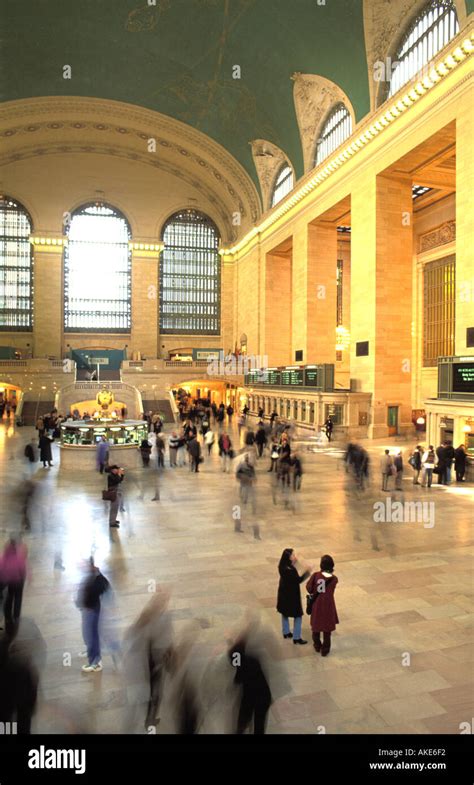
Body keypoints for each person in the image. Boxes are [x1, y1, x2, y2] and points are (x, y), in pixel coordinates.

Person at [228, 637, 272, 735]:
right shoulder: (250, 660)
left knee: (250, 721)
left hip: (257, 698)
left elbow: (239, 678)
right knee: (256, 723)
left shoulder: (245, 666)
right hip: (260, 696)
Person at [76, 557, 110, 673]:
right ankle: (90, 651)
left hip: (92, 610)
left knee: (92, 635)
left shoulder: (97, 578)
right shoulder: (92, 575)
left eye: (85, 564)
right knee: (88, 633)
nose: (82, 566)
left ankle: (95, 662)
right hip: (89, 609)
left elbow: (104, 587)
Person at [306, 555, 339, 657]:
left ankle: (317, 645)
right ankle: (325, 649)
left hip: (317, 605)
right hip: (328, 605)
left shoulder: (316, 575)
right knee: (327, 630)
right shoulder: (334, 579)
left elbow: (309, 588)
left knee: (316, 627)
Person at [276, 548, 310, 644]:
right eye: (292, 555)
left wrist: (296, 561)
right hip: (292, 596)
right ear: (288, 558)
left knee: (284, 612)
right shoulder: (290, 571)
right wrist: (307, 572)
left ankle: (286, 632)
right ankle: (297, 637)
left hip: (283, 594)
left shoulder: (282, 566)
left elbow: (292, 567)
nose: (294, 557)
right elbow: (298, 580)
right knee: (298, 616)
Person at [1, 538, 28, 629]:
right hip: (19, 581)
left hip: (10, 582)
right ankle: (16, 615)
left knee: (10, 596)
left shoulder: (3, 558)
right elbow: (23, 568)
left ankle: (8, 615)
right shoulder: (18, 558)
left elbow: (1, 569)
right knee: (18, 598)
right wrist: (24, 577)